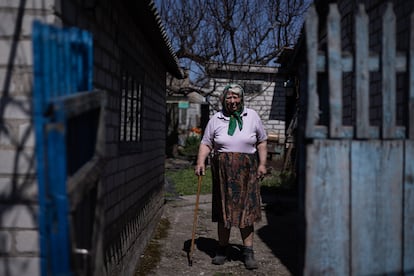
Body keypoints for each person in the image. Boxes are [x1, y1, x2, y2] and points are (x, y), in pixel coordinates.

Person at [194, 83, 267, 270]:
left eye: (236, 97)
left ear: (241, 98)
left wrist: (262, 164)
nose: (232, 101)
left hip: (247, 171)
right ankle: (222, 249)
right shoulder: (216, 119)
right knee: (223, 209)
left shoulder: (251, 116)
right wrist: (200, 161)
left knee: (246, 211)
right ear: (223, 99)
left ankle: (248, 252)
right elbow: (206, 143)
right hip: (223, 172)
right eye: (229, 97)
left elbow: (261, 141)